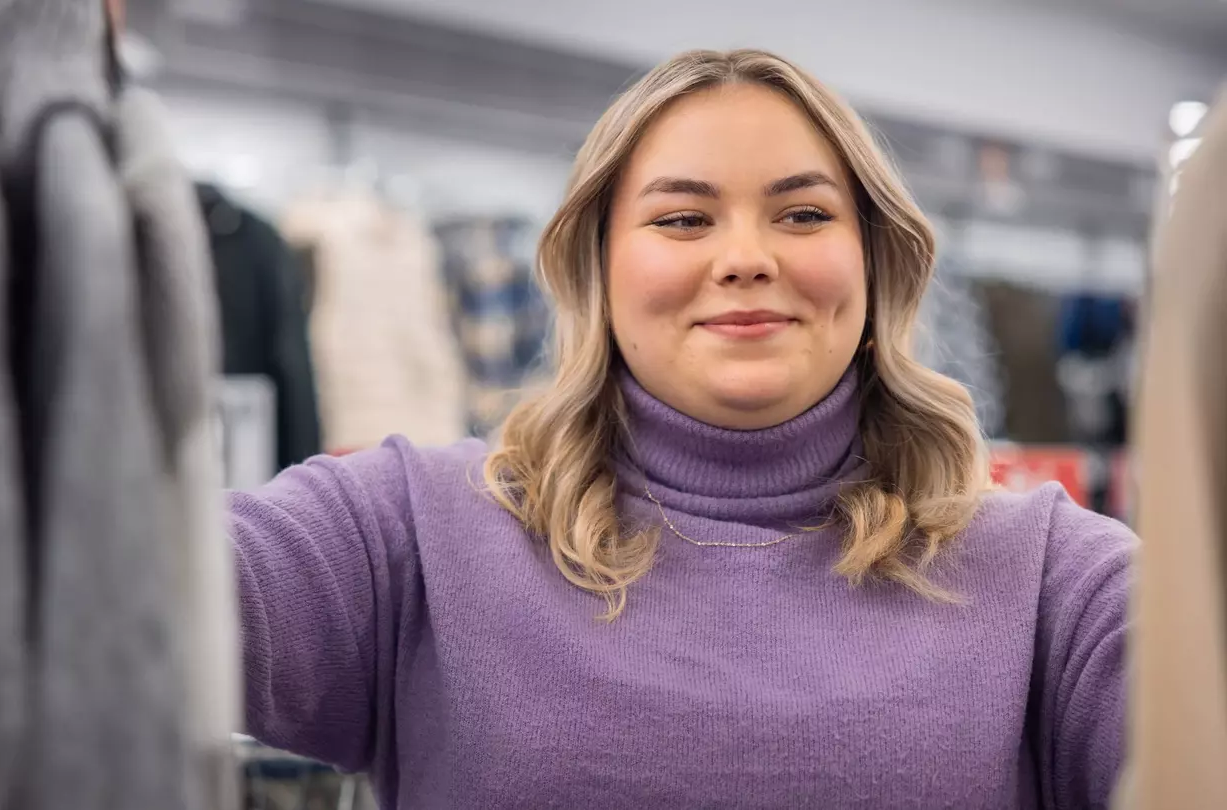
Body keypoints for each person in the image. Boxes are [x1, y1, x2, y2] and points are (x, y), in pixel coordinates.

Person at [228, 48, 1134, 809]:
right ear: (599, 273)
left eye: (805, 214)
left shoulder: (1057, 583)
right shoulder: (406, 533)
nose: (745, 258)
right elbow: (124, 585)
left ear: (874, 263)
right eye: (682, 219)